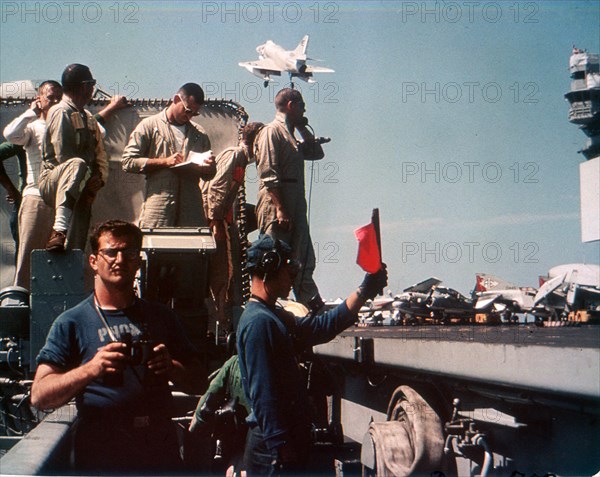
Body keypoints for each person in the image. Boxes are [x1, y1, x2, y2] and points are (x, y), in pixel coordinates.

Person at [30, 219, 205, 474]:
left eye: (130, 252)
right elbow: (39, 396)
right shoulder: (72, 322)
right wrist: (91, 369)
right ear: (93, 262)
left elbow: (201, 381)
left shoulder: (162, 317)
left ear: (138, 261)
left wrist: (172, 368)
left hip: (158, 450)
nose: (120, 260)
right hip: (101, 453)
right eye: (111, 252)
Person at [236, 235, 387, 475]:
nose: (292, 279)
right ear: (269, 266)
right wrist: (281, 446)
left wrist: (364, 290)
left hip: (279, 442)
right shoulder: (260, 323)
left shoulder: (271, 316)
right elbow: (263, 393)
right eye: (288, 271)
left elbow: (319, 328)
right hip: (272, 450)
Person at [254, 88, 325, 306]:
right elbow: (268, 173)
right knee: (274, 260)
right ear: (291, 105)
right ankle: (270, 308)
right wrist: (280, 208)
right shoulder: (271, 132)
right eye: (302, 106)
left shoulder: (291, 135)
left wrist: (303, 128)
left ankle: (310, 312)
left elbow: (317, 153)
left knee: (302, 259)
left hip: (295, 202)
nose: (304, 110)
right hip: (278, 204)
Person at [122, 82, 216, 228]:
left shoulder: (200, 134)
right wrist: (164, 162)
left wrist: (209, 166)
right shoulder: (149, 126)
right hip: (159, 208)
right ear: (176, 99)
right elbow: (128, 161)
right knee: (156, 245)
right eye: (187, 110)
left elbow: (208, 176)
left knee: (191, 248)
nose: (189, 116)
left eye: (194, 113)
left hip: (191, 212)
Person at [39, 64, 108, 252]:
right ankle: (59, 230)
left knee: (75, 247)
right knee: (77, 164)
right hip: (54, 181)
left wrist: (98, 180)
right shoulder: (61, 111)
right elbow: (64, 158)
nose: (93, 90)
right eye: (91, 84)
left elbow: (98, 153)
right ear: (84, 86)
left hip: (78, 183)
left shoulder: (86, 116)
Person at [3, 81, 63, 288]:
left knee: (61, 259)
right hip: (36, 197)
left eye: (59, 98)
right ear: (40, 99)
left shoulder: (69, 124)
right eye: (50, 97)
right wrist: (31, 113)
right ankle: (20, 306)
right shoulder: (32, 127)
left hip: (63, 201)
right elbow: (10, 135)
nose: (55, 102)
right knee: (28, 256)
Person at [205, 121, 264, 331]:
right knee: (223, 272)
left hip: (222, 220)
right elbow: (217, 187)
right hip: (217, 221)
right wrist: (217, 221)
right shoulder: (235, 155)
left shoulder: (238, 157)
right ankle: (219, 322)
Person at [0, 142, 26, 250]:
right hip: (26, 200)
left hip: (65, 202)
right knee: (23, 251)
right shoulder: (27, 133)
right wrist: (11, 189)